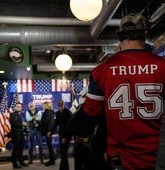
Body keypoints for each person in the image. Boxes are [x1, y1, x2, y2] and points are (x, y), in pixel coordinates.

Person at [71, 11, 165, 170]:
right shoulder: (162, 66)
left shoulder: (102, 70)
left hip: (121, 161)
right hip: (157, 159)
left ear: (119, 35)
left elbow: (89, 117)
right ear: (145, 33)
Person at [48, 99, 72, 170]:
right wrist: (51, 131)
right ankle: (65, 168)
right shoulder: (58, 113)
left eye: (61, 105)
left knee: (64, 152)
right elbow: (56, 124)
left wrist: (65, 137)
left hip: (67, 135)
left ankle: (62, 168)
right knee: (63, 152)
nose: (60, 107)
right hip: (61, 134)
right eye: (59, 106)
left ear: (64, 105)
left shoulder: (68, 113)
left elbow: (69, 127)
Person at [9, 102, 28, 169]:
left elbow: (26, 124)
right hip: (16, 135)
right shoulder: (12, 114)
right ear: (15, 107)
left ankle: (21, 162)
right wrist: (22, 124)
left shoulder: (23, 114)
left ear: (21, 107)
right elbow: (14, 123)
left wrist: (25, 133)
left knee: (21, 149)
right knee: (15, 149)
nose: (18, 107)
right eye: (17, 106)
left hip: (22, 135)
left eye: (20, 106)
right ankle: (14, 164)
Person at [40, 101, 56, 166]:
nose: (42, 107)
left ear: (46, 106)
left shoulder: (47, 112)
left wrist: (38, 124)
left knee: (50, 146)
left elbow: (45, 122)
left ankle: (52, 161)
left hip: (48, 132)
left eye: (43, 105)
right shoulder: (51, 112)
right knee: (50, 146)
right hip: (49, 131)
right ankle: (53, 159)